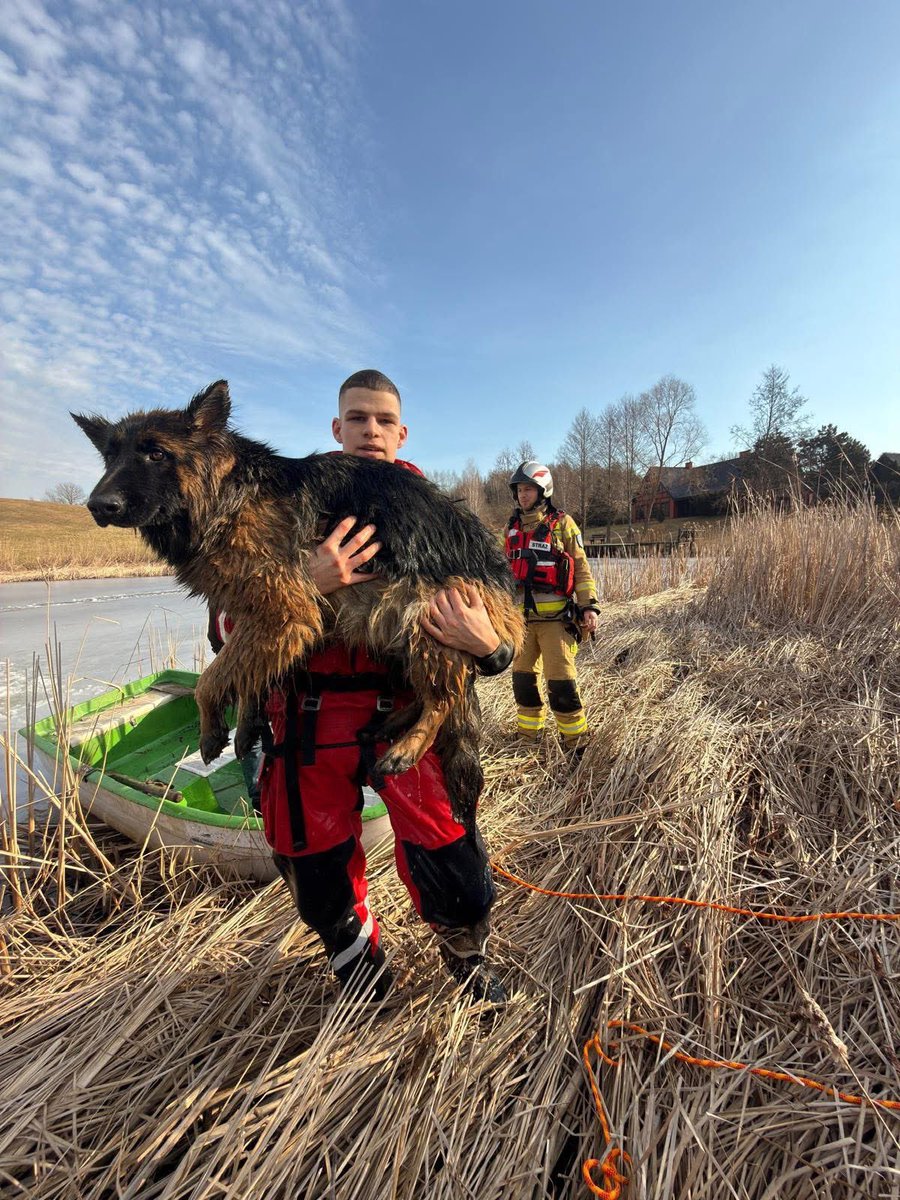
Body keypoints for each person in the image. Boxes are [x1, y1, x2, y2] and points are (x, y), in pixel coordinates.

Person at [251, 370, 514, 1004]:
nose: (370, 430)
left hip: (408, 714)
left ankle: (466, 956)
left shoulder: (439, 519)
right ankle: (354, 957)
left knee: (452, 853)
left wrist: (490, 645)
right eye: (357, 418)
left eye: (382, 420)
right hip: (310, 715)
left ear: (401, 433)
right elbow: (229, 624)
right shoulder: (288, 508)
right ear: (335, 429)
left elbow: (500, 628)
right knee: (311, 861)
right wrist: (308, 584)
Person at [505, 462, 600, 749]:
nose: (523, 496)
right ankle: (527, 739)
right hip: (520, 623)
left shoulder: (563, 524)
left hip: (557, 621)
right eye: (520, 490)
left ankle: (575, 743)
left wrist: (589, 607)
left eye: (529, 490)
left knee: (561, 684)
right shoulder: (510, 528)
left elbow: (581, 568)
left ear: (542, 490)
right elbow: (500, 573)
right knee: (523, 682)